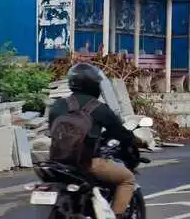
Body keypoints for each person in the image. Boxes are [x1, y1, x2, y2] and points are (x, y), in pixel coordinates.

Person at [48, 63, 146, 218]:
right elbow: (121, 134)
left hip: (57, 163)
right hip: (86, 164)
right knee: (127, 179)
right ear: (94, 84)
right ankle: (116, 215)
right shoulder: (98, 108)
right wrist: (138, 141)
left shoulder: (59, 105)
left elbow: (51, 131)